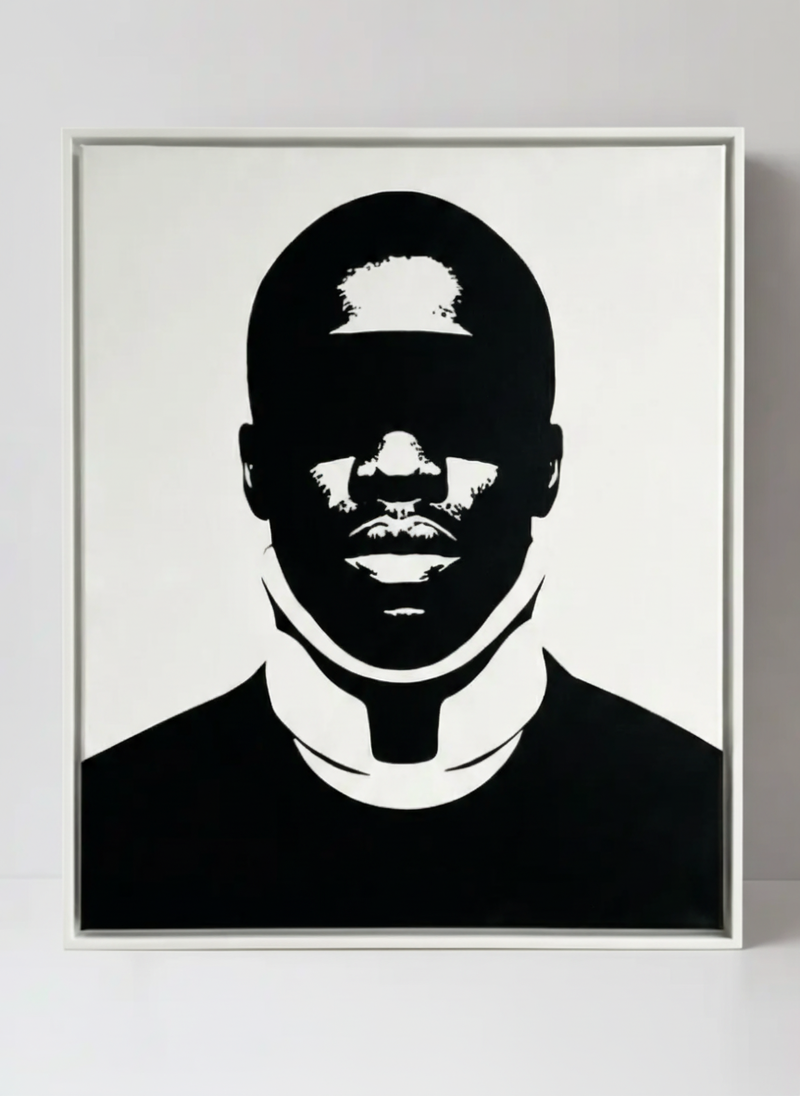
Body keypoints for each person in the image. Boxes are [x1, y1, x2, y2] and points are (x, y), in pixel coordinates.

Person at [80, 191, 723, 932]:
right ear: (257, 469)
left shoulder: (701, 810)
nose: (398, 468)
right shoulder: (106, 826)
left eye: (458, 409)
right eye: (339, 408)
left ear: (546, 467)